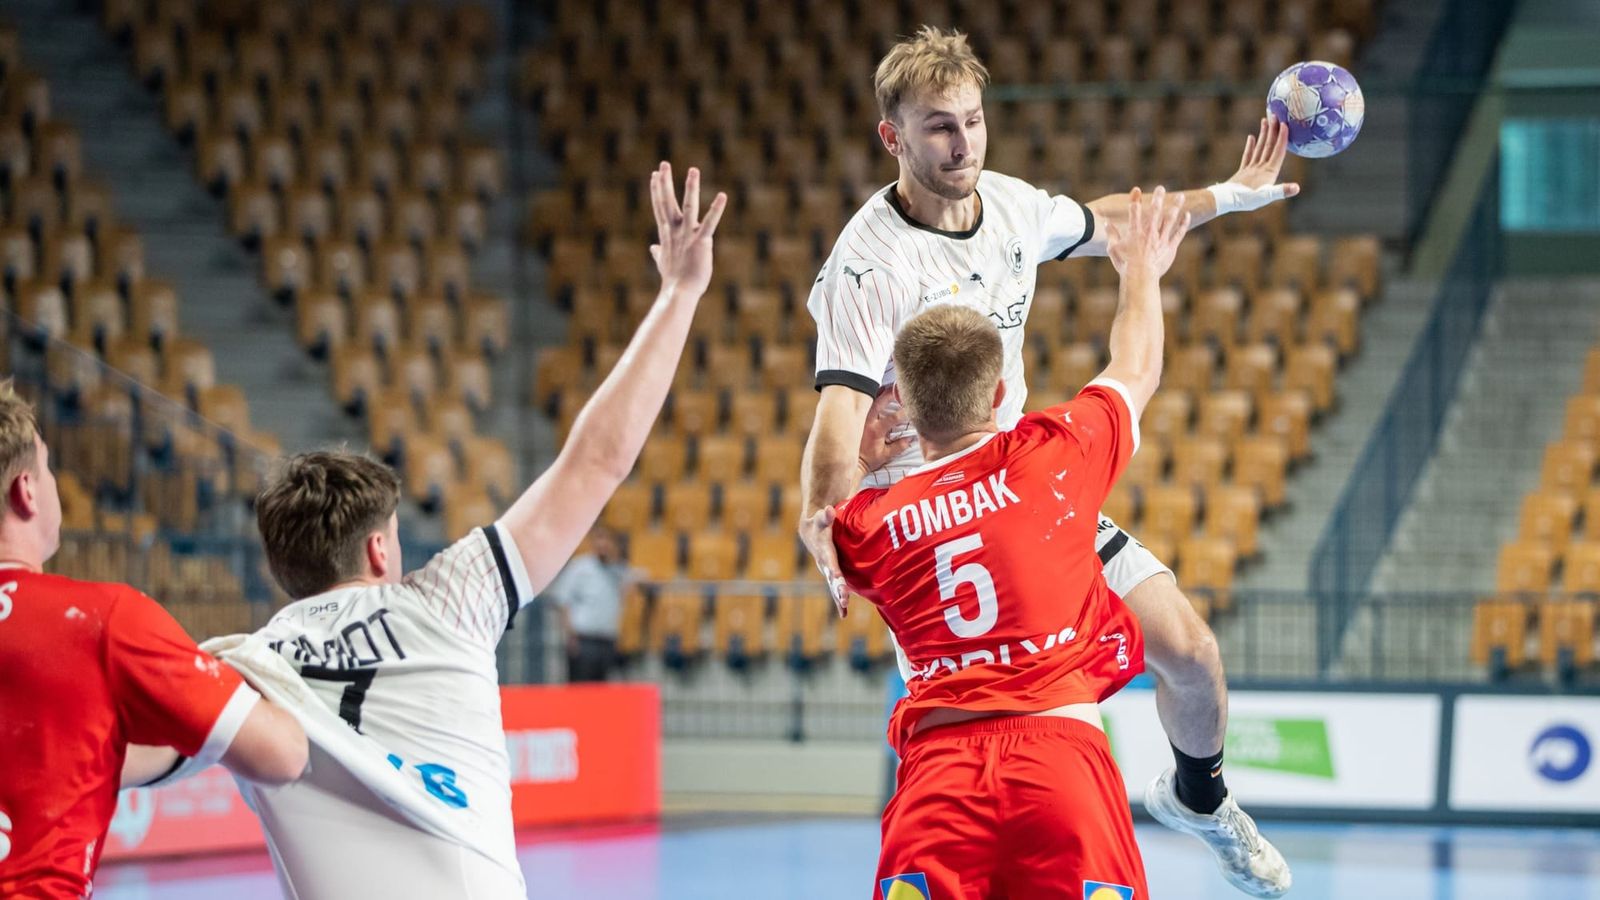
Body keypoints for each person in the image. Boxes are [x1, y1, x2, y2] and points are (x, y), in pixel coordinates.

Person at [796, 26, 1292, 895]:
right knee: (986, 717)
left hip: (1024, 486)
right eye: (940, 127)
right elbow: (838, 418)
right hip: (926, 510)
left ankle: (1200, 801)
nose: (963, 144)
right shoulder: (867, 269)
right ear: (894, 136)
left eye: (975, 122)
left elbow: (1115, 223)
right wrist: (825, 521)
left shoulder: (1013, 207)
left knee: (1190, 646)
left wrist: (1230, 194)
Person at [185, 164, 723, 898]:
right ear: (380, 549)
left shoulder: (241, 668)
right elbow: (597, 461)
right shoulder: (448, 600)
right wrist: (679, 292)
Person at [828, 187, 1185, 897]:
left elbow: (835, 518)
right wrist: (1140, 270)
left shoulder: (873, 524)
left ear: (901, 401)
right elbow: (1136, 368)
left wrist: (865, 466)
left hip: (938, 776)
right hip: (1061, 761)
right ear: (997, 396)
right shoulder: (1053, 454)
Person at [0, 379, 308, 898]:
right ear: (26, 489)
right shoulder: (101, 619)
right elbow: (282, 754)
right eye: (50, 466)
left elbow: (64, 755)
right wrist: (252, 670)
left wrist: (180, 734)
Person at [550, 525, 635, 681]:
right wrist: (570, 635)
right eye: (599, 539)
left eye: (607, 539)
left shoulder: (619, 570)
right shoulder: (580, 567)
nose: (603, 544)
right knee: (580, 693)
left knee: (602, 695)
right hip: (584, 641)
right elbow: (562, 601)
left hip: (608, 641)